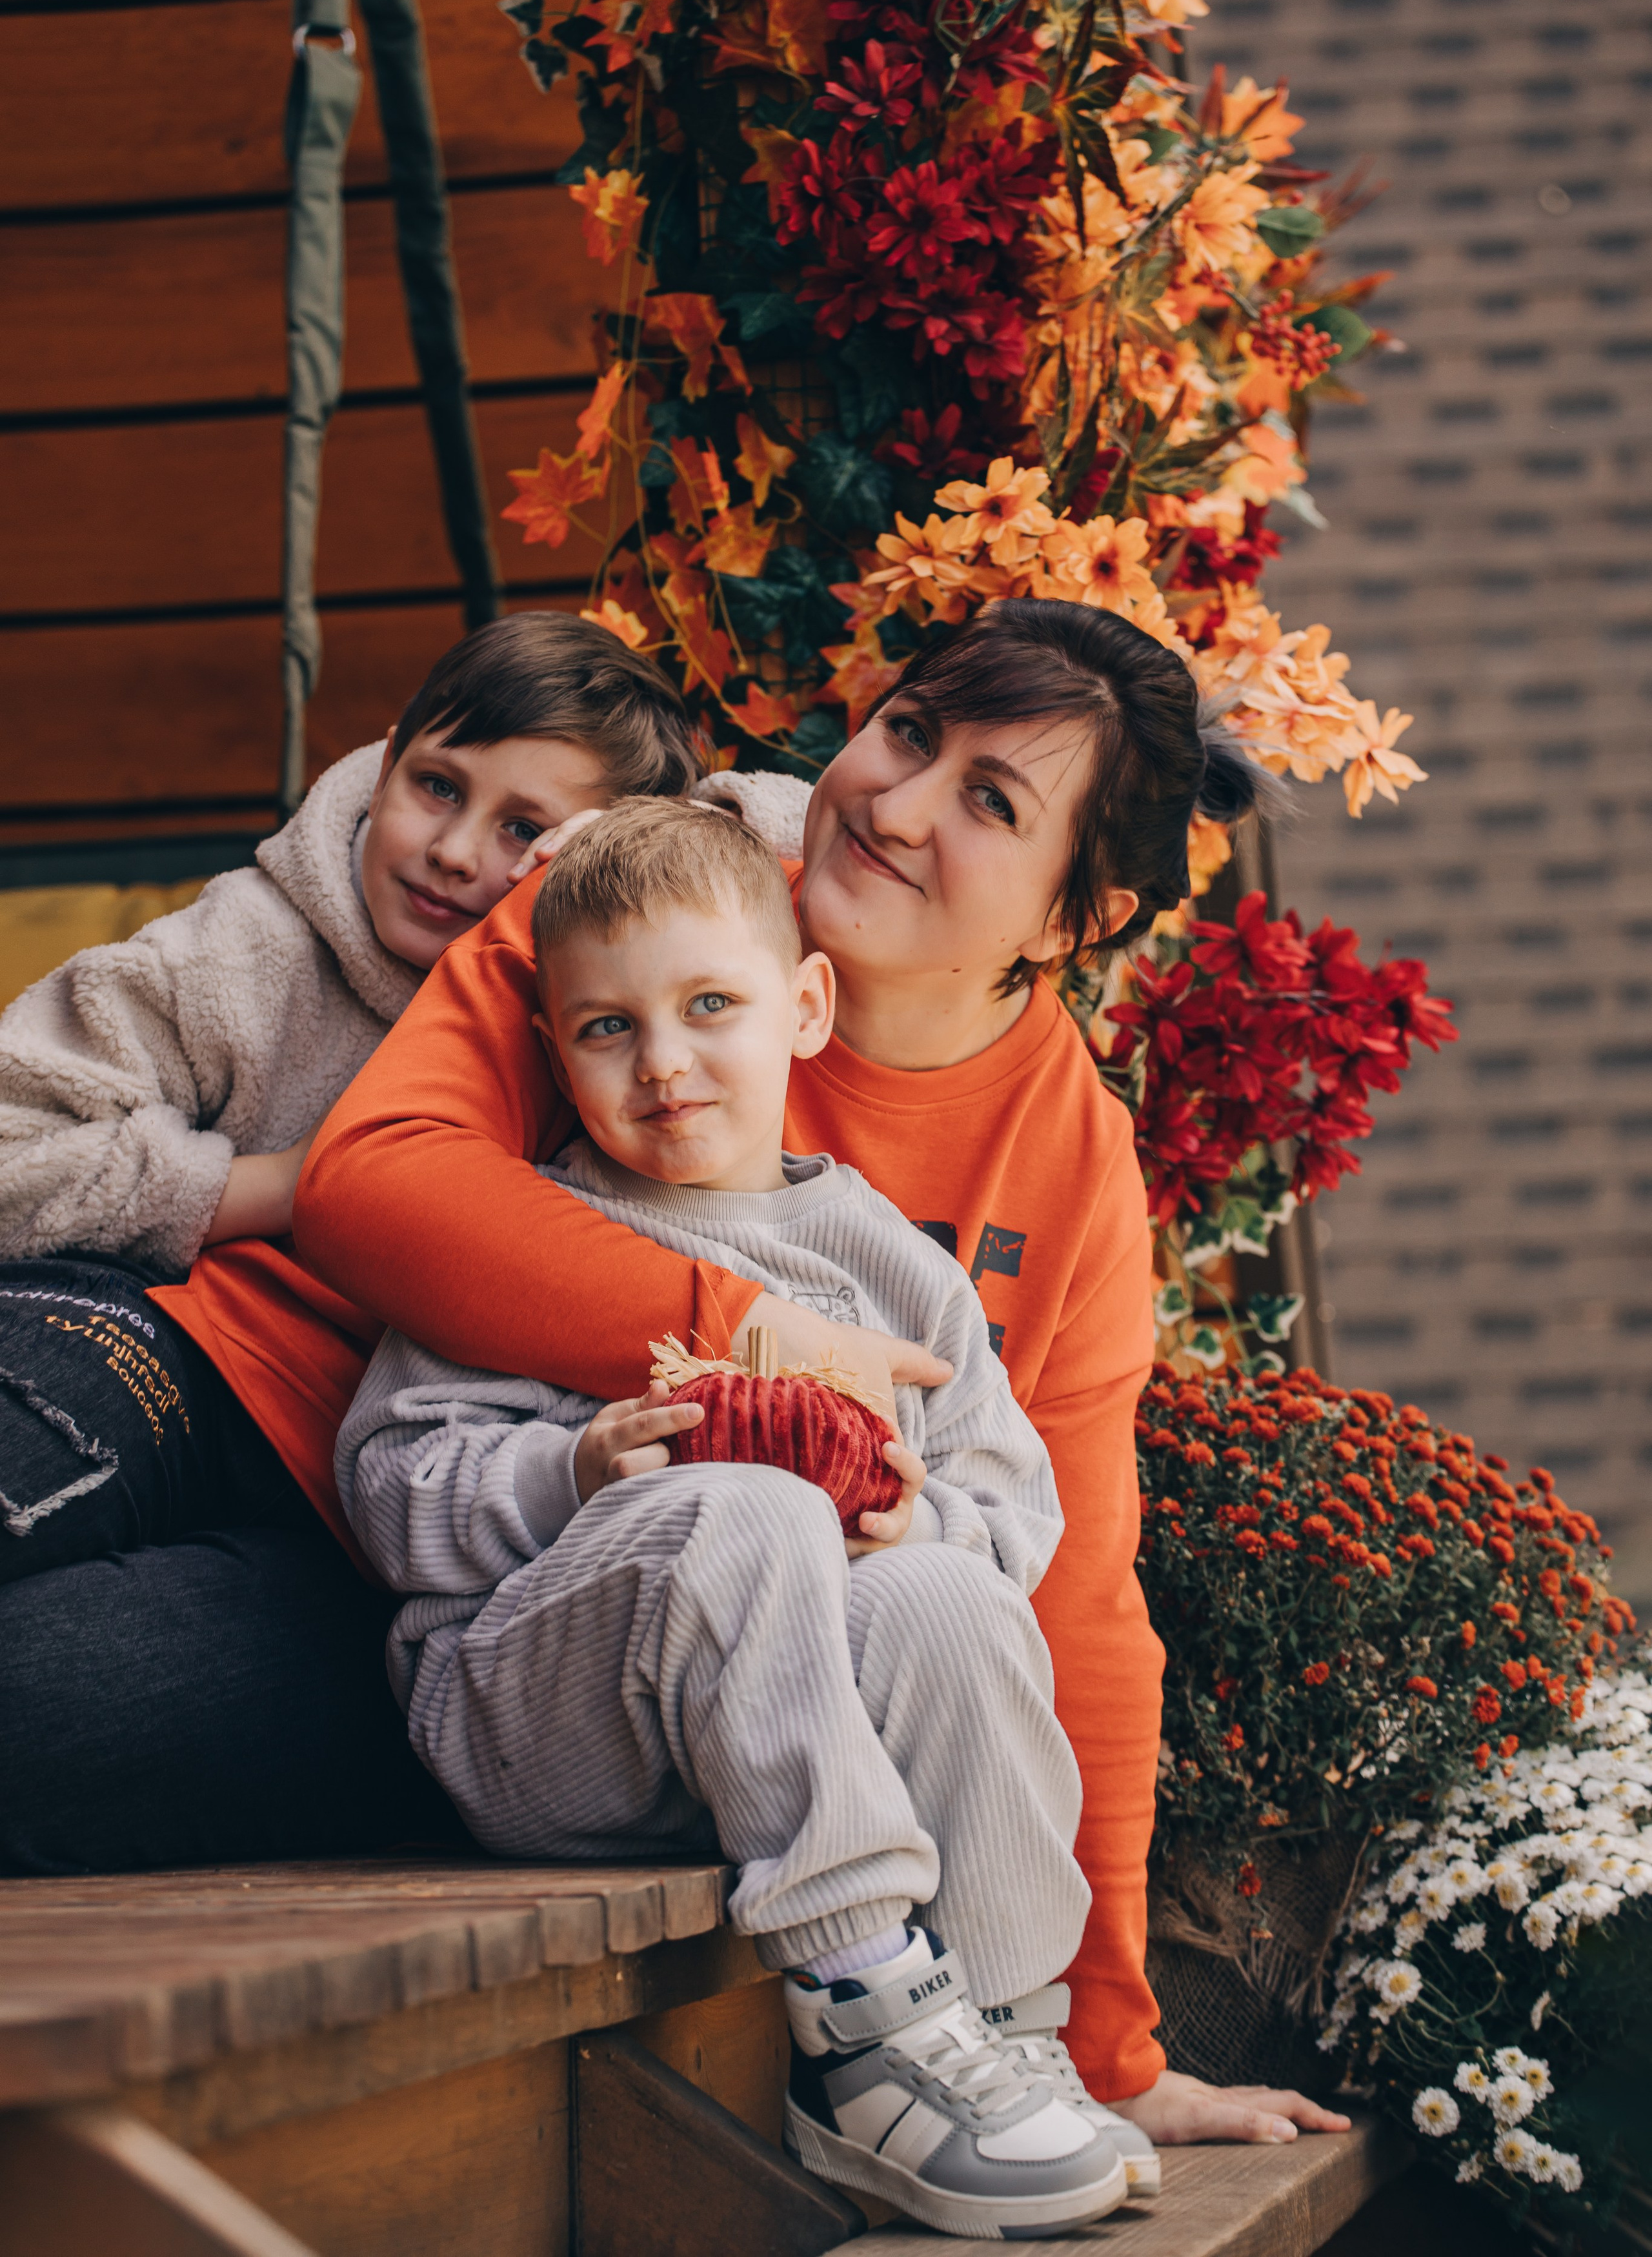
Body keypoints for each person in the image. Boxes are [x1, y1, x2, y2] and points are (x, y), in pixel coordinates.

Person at [296, 597, 1349, 2149]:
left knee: (937, 1586)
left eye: (991, 800)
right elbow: (373, 1187)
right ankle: (879, 2035)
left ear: (1068, 923)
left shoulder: (1062, 1155)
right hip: (421, 1558)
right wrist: (748, 1344)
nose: (898, 801)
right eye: (909, 730)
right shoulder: (651, 915)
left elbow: (1071, 1592)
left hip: (808, 1711)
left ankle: (985, 2063)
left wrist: (1112, 2052)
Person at [336, 796, 1148, 2238]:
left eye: (711, 1004)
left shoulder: (892, 1271)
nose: (661, 1064)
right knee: (742, 1510)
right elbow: (392, 1488)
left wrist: (917, 1531)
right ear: (556, 1051)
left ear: (806, 1007)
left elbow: (1012, 1513)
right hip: (542, 1736)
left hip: (770, 1759)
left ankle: (1006, 2031)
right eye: (605, 1029)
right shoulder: (536, 1239)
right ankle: (854, 2026)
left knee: (948, 1596)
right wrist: (573, 1472)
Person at [0, 614, 706, 1871]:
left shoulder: (623, 1014)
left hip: (362, 1540)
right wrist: (300, 1185)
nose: (449, 851)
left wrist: (650, 853)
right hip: (171, 1351)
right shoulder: (263, 943)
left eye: (523, 833)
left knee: (49, 1706)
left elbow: (792, 834)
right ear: (385, 763)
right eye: (436, 787)